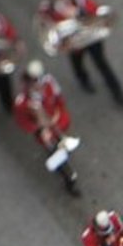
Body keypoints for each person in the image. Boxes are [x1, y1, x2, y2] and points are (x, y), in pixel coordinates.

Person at [38, 0, 123, 106]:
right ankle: (83, 79)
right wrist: (62, 41)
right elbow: (47, 27)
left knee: (102, 63)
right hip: (74, 44)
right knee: (77, 64)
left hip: (90, 37)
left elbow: (94, 11)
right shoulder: (48, 8)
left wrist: (78, 13)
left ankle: (118, 92)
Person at [12, 61, 79, 194]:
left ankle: (64, 151)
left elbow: (59, 100)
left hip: (57, 122)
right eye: (34, 82)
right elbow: (23, 123)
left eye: (39, 80)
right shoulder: (22, 102)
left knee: (64, 146)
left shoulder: (49, 82)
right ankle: (68, 179)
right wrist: (39, 128)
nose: (38, 85)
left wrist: (59, 118)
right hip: (45, 133)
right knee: (55, 154)